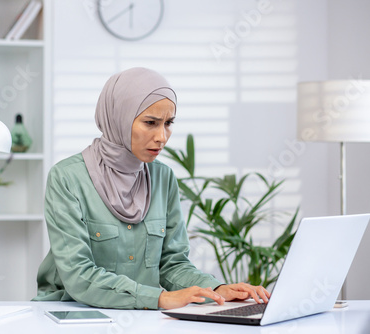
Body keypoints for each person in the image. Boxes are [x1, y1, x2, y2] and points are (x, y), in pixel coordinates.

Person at [34, 67, 270, 310]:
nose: (162, 137)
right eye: (150, 123)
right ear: (119, 118)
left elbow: (172, 264)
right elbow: (77, 275)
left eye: (168, 123)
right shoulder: (67, 178)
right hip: (71, 312)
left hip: (141, 316)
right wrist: (158, 298)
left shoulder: (163, 177)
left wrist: (217, 290)